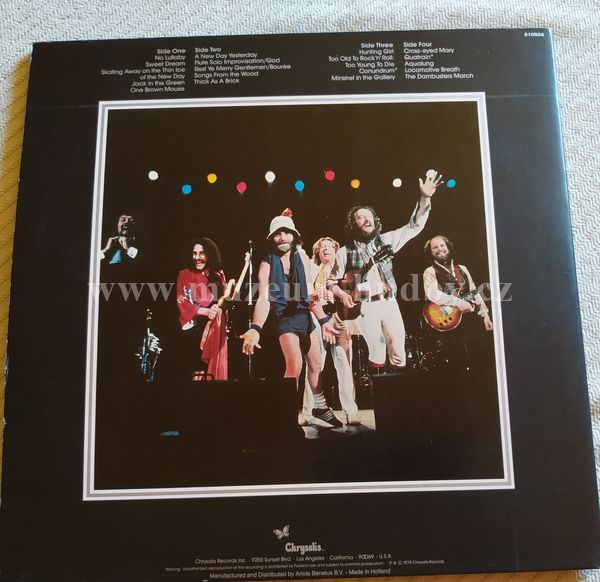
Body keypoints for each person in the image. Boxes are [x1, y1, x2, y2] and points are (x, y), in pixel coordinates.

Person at [329, 169, 442, 373]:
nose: (367, 219)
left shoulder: (386, 240)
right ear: (353, 224)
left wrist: (425, 198)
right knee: (377, 350)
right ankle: (378, 389)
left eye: (369, 216)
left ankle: (399, 391)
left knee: (398, 349)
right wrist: (342, 295)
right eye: (360, 217)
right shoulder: (344, 252)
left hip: (389, 302)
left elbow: (413, 227)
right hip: (365, 306)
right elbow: (331, 282)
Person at [240, 210, 343, 428]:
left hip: (304, 315)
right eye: (278, 234)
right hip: (284, 318)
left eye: (287, 233)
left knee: (316, 363)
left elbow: (310, 294)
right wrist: (256, 328)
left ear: (294, 236)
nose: (282, 237)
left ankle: (320, 406)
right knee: (295, 365)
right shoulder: (267, 263)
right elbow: (264, 298)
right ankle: (286, 411)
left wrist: (324, 321)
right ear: (272, 238)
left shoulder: (302, 258)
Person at [300, 236, 361, 426]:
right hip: (317, 317)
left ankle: (351, 412)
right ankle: (308, 412)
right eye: (321, 247)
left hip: (338, 317)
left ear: (336, 251)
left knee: (344, 364)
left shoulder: (343, 270)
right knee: (313, 365)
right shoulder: (312, 268)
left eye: (329, 246)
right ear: (317, 252)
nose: (325, 249)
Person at [422, 235, 493, 372]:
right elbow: (433, 294)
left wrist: (485, 315)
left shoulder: (462, 269)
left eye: (442, 245)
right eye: (435, 247)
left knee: (479, 360)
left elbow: (474, 291)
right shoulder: (430, 271)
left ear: (448, 247)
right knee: (458, 363)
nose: (439, 249)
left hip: (470, 320)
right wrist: (459, 302)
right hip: (449, 322)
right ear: (430, 253)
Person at [176, 238, 228, 380]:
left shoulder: (218, 274)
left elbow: (224, 301)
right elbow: (181, 302)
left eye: (202, 253)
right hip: (193, 330)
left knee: (212, 373)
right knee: (197, 373)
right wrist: (206, 311)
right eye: (194, 253)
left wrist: (220, 306)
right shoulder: (184, 274)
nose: (197, 257)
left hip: (214, 329)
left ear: (210, 254)